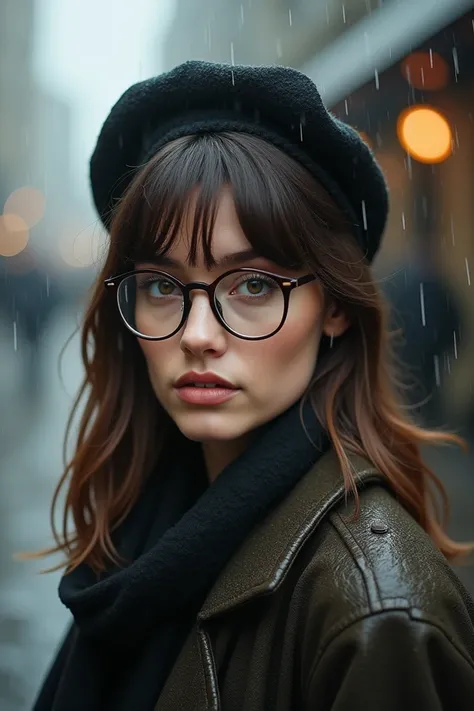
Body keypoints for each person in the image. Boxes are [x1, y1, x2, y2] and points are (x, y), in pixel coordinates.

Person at [30, 61, 474, 711]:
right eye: (162, 285)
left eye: (254, 285)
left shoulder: (377, 612)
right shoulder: (142, 536)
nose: (199, 334)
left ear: (336, 306)